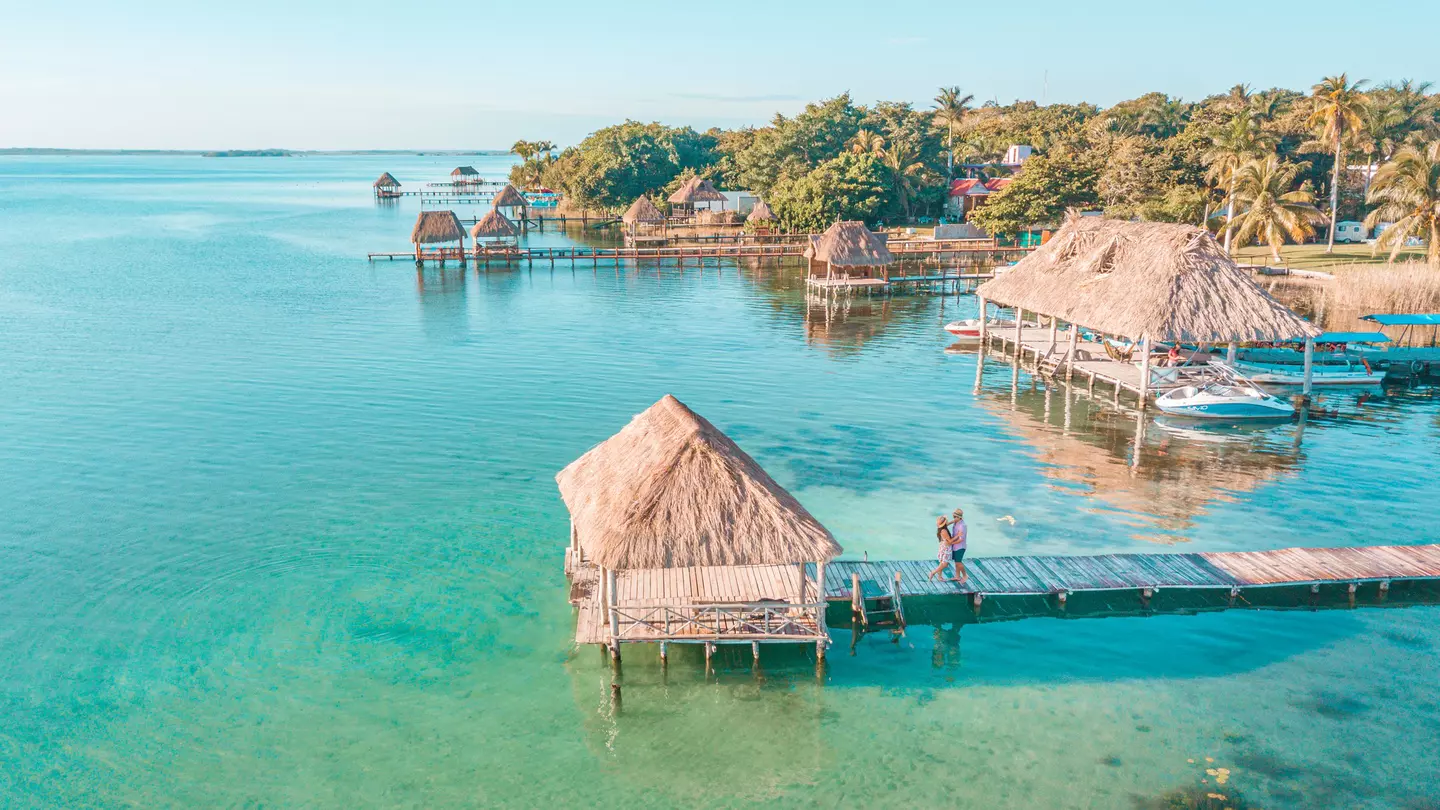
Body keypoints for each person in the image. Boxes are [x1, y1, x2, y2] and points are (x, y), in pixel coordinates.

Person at [945, 508, 968, 584]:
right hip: (955, 546)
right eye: (953, 516)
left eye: (955, 517)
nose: (953, 518)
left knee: (959, 562)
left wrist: (951, 543)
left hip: (960, 547)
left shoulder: (962, 526)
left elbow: (961, 539)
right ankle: (957, 576)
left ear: (959, 517)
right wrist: (951, 522)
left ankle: (965, 576)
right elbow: (946, 525)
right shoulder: (956, 522)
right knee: (956, 562)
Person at [928, 517, 953, 581]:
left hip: (942, 546)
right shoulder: (944, 531)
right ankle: (933, 572)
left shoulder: (941, 528)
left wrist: (954, 521)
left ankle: (939, 577)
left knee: (942, 562)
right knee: (945, 564)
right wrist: (958, 536)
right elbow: (950, 541)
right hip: (946, 548)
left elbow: (947, 524)